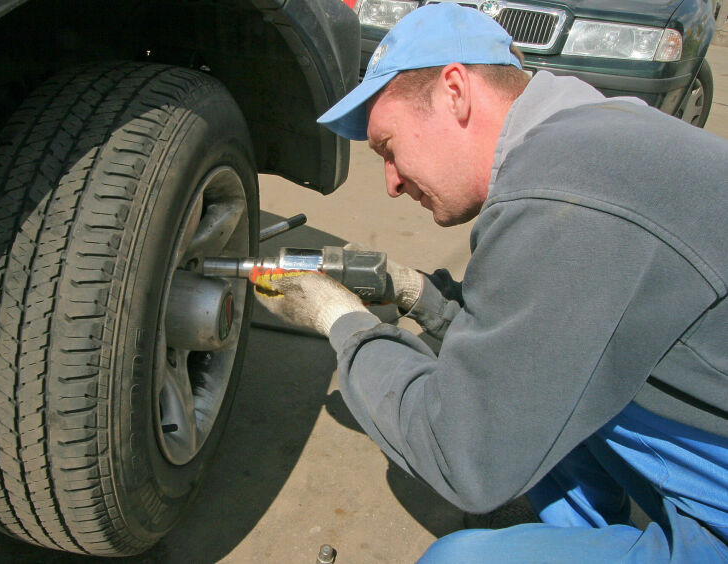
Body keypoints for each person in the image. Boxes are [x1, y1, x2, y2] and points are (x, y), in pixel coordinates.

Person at [251, 4, 728, 562]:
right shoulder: (588, 139)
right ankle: (583, 539)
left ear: (455, 90)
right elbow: (530, 336)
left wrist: (343, 323)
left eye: (388, 148)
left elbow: (460, 455)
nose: (391, 183)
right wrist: (419, 296)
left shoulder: (561, 196)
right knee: (533, 386)